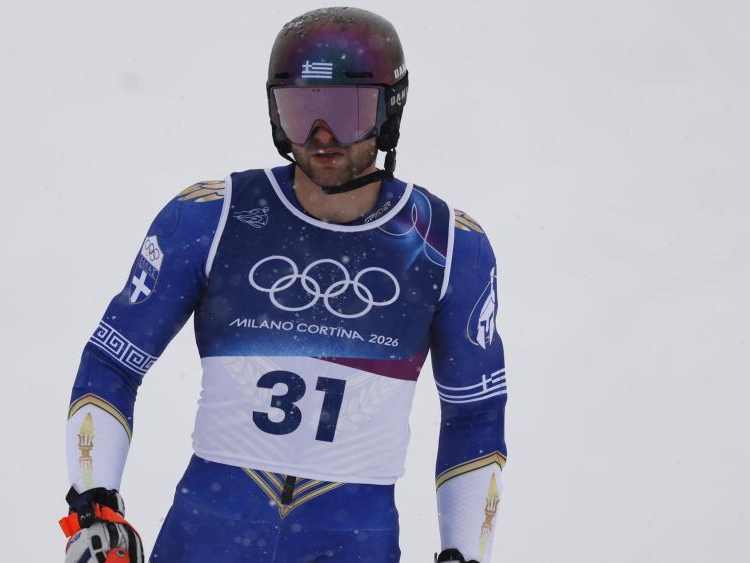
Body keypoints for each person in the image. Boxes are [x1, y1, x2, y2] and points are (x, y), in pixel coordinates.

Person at [59, 7, 507, 563]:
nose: (322, 136)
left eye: (346, 113)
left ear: (390, 110)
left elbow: (474, 415)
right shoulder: (211, 216)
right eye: (302, 112)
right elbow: (113, 362)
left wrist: (464, 553)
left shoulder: (448, 246)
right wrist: (95, 507)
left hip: (352, 545)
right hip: (206, 539)